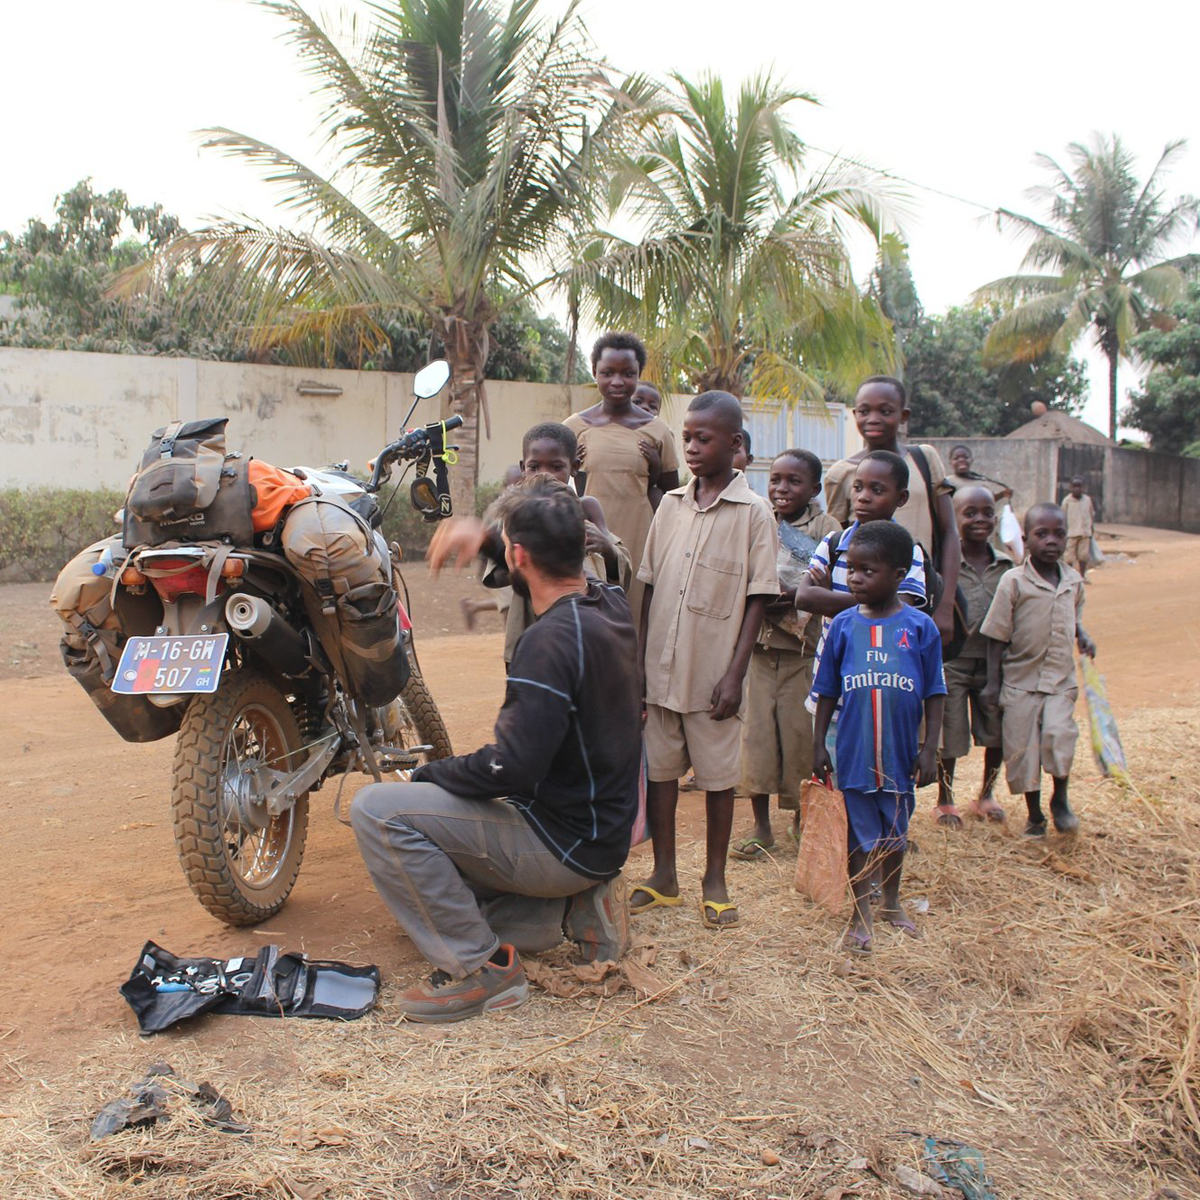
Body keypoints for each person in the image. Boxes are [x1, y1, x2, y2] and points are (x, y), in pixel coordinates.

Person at [351, 481, 642, 1022]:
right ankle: (570, 912)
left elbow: (511, 765)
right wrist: (491, 538)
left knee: (377, 812)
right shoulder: (611, 605)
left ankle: (482, 971)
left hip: (562, 840)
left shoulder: (547, 643)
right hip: (599, 834)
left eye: (505, 546)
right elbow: (534, 563)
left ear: (519, 556)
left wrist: (431, 775)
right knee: (424, 895)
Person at [634, 391, 779, 929]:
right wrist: (638, 665)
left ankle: (714, 879)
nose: (691, 448)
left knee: (718, 779)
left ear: (735, 444)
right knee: (662, 773)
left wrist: (736, 673)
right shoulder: (669, 506)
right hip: (660, 671)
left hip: (713, 672)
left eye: (703, 438)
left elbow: (760, 595)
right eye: (687, 438)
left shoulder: (754, 513)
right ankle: (664, 875)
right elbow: (648, 586)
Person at [811, 521, 946, 954]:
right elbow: (827, 690)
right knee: (858, 837)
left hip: (901, 754)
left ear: (899, 574)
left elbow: (935, 691)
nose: (854, 578)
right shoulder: (843, 625)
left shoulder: (921, 627)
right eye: (851, 569)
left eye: (867, 570)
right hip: (853, 752)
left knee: (895, 833)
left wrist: (929, 749)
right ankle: (860, 915)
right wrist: (818, 745)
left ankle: (890, 902)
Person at [429, 423, 631, 666]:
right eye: (535, 467)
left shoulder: (586, 507)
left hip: (583, 631)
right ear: (524, 467)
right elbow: (505, 574)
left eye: (556, 467)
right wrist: (486, 542)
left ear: (574, 467)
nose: (544, 474)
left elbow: (622, 571)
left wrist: (607, 549)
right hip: (529, 630)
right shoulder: (513, 513)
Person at [732, 450, 841, 858]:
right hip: (759, 648)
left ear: (814, 489)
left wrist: (795, 594)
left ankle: (801, 822)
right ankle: (761, 827)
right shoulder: (760, 518)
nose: (782, 489)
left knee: (800, 739)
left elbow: (829, 581)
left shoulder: (828, 528)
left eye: (794, 482)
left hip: (804, 651)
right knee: (756, 739)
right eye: (776, 480)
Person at [796, 452, 928, 784]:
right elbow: (805, 596)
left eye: (876, 489)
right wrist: (871, 603)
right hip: (832, 686)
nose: (863, 496)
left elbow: (902, 611)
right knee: (834, 776)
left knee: (883, 777)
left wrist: (831, 600)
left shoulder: (909, 551)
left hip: (885, 686)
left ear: (901, 498)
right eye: (858, 487)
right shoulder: (834, 542)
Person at [980, 502, 1096, 836]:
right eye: (1041, 534)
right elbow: (996, 636)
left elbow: (1075, 620)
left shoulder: (1073, 581)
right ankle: (1034, 815)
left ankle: (1060, 799)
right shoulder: (1013, 582)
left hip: (1060, 681)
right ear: (1026, 540)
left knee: (1060, 738)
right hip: (1020, 683)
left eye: (1059, 534)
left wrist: (1084, 636)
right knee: (1023, 751)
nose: (1051, 541)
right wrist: (991, 684)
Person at [823, 377, 960, 646]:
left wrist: (945, 606)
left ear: (903, 415)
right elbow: (836, 545)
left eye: (884, 411)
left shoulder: (925, 458)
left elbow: (949, 532)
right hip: (865, 605)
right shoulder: (842, 474)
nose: (873, 419)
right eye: (864, 411)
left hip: (921, 596)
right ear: (854, 415)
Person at [566, 333, 680, 617]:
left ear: (638, 375)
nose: (617, 381)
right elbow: (558, 484)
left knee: (632, 615)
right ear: (595, 373)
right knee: (587, 613)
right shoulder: (573, 427)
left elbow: (669, 495)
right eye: (608, 373)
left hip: (638, 540)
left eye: (628, 374)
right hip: (586, 539)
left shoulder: (657, 431)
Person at [935, 486, 1012, 826]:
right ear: (955, 518)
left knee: (996, 732)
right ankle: (945, 799)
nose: (980, 519)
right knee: (950, 734)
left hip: (996, 664)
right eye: (970, 513)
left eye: (987, 512)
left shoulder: (1008, 567)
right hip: (954, 663)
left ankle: (985, 794)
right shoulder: (945, 565)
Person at [461, 464, 524, 630]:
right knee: (509, 610)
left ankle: (473, 606)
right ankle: (511, 652)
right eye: (514, 483)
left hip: (514, 566)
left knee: (513, 604)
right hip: (498, 568)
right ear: (505, 485)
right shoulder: (498, 509)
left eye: (521, 483)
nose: (517, 487)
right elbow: (486, 541)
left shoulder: (525, 505)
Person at [1061, 476, 1096, 579]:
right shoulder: (1067, 501)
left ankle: (1082, 576)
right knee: (1069, 557)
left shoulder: (1087, 500)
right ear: (1070, 488)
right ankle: (1068, 576)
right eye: (1074, 486)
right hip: (1071, 533)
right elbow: (1062, 516)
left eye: (1079, 486)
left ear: (1083, 488)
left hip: (1085, 532)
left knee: (1083, 556)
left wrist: (1091, 529)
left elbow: (1091, 514)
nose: (1077, 489)